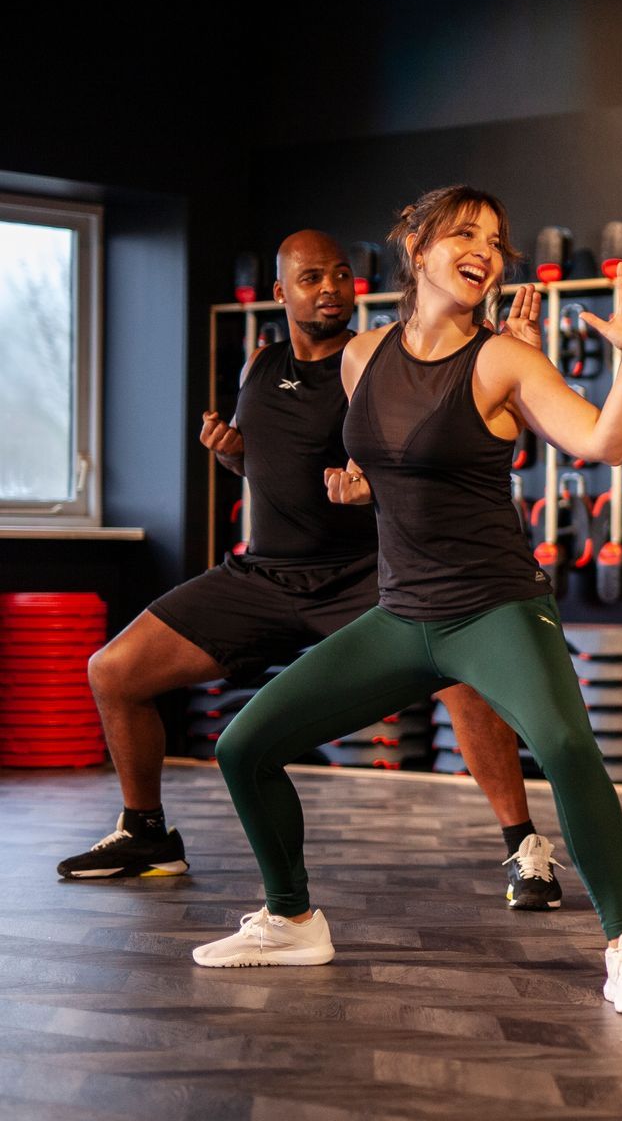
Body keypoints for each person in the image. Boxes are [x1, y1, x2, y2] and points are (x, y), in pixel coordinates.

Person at [190, 186, 622, 1016]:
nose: (484, 249)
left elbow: (606, 442)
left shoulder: (503, 360)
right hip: (400, 615)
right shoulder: (360, 356)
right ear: (416, 249)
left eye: (495, 239)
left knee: (566, 746)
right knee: (244, 746)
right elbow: (388, 459)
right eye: (464, 233)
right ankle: (292, 919)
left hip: (495, 608)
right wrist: (362, 486)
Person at [59, 230, 561, 912]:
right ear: (280, 292)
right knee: (114, 671)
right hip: (263, 577)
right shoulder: (259, 366)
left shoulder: (378, 360)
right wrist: (233, 457)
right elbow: (270, 464)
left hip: (364, 576)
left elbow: (432, 458)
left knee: (462, 682)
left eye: (342, 275)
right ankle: (146, 832)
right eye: (311, 278)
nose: (331, 289)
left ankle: (525, 847)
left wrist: (371, 486)